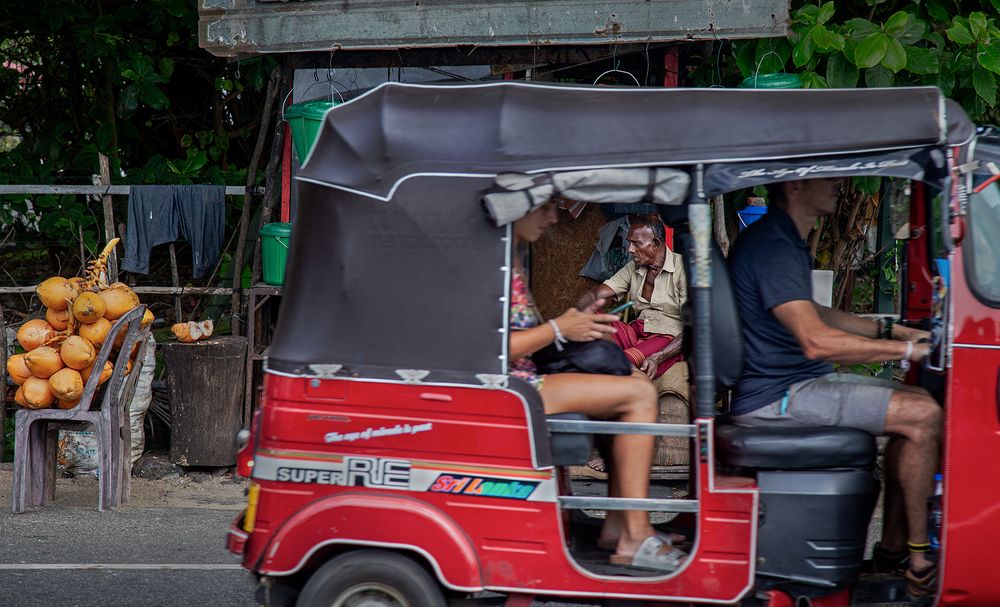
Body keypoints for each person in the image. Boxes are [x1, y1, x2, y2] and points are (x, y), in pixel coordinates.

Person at [727, 177, 941, 599]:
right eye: (828, 176)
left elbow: (816, 313)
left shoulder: (784, 239)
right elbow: (816, 340)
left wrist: (896, 330)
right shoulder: (773, 247)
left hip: (792, 384)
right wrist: (905, 350)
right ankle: (919, 561)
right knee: (924, 415)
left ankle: (893, 550)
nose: (840, 184)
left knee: (917, 402)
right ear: (794, 187)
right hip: (779, 396)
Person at [509, 200, 685, 572]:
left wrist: (567, 330)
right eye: (544, 206)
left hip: (532, 373)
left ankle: (618, 524)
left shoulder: (511, 259)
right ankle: (634, 535)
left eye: (638, 243)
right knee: (639, 392)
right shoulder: (493, 265)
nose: (553, 216)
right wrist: (563, 327)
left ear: (657, 244)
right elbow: (492, 347)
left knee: (630, 380)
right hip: (512, 386)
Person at [577, 217, 687, 380]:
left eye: (636, 244)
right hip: (635, 332)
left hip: (666, 339)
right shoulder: (633, 268)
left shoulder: (684, 269)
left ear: (655, 243)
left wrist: (659, 357)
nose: (630, 249)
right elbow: (595, 295)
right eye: (630, 243)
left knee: (621, 361)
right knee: (591, 319)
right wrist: (586, 308)